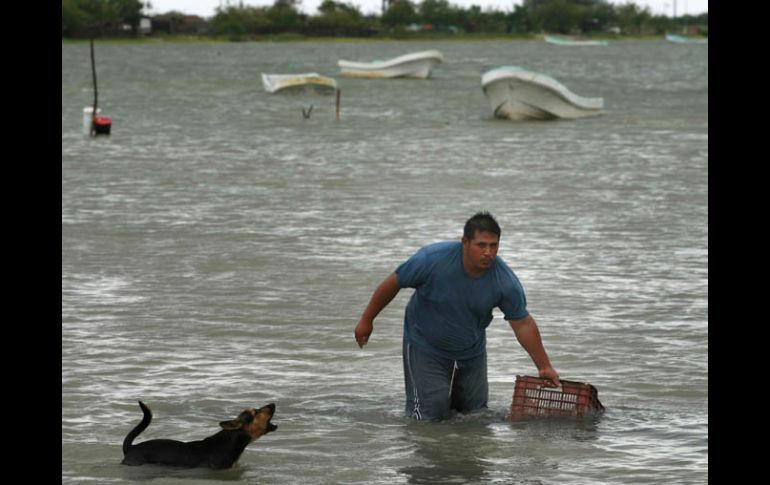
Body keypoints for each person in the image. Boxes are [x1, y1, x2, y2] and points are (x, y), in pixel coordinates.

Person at [354, 212, 560, 421]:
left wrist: (544, 366)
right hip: (425, 344)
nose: (488, 252)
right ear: (465, 242)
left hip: (471, 350)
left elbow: (523, 323)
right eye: (481, 245)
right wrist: (367, 320)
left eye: (493, 246)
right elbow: (394, 282)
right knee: (430, 414)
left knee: (474, 416)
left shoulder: (504, 281)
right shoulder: (431, 260)